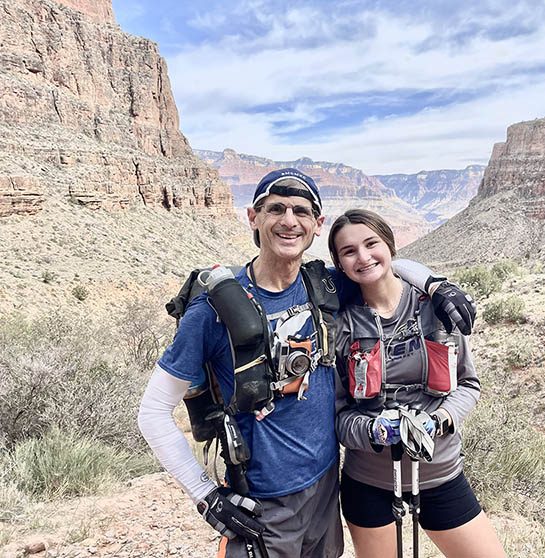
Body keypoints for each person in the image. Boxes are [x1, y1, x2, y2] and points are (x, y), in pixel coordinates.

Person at [137, 169, 476, 558]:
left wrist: (435, 284)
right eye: (275, 208)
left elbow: (379, 263)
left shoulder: (326, 287)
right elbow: (153, 412)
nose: (288, 220)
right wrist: (206, 496)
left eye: (301, 211)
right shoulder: (212, 310)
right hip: (262, 503)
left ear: (316, 225)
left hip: (325, 493)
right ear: (253, 217)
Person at [329, 208, 506, 558]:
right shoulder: (340, 325)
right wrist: (373, 430)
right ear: (339, 263)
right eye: (349, 251)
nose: (363, 257)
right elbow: (338, 417)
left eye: (371, 243)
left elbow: (468, 384)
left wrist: (437, 420)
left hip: (440, 474)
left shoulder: (437, 307)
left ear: (390, 246)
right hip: (369, 481)